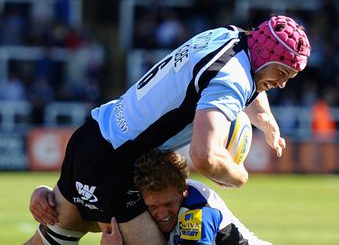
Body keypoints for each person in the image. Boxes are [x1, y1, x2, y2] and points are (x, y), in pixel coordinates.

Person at [25, 15, 311, 245]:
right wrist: (238, 175)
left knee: (51, 238)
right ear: (263, 56)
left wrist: (266, 120)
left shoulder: (229, 36)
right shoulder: (231, 79)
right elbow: (205, 156)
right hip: (115, 164)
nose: (283, 84)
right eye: (282, 73)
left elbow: (248, 81)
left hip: (92, 135)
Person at [30, 149, 271, 245]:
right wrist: (47, 195)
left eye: (168, 204)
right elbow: (92, 213)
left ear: (183, 191)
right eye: (154, 206)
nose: (162, 213)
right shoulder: (139, 199)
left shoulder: (197, 213)